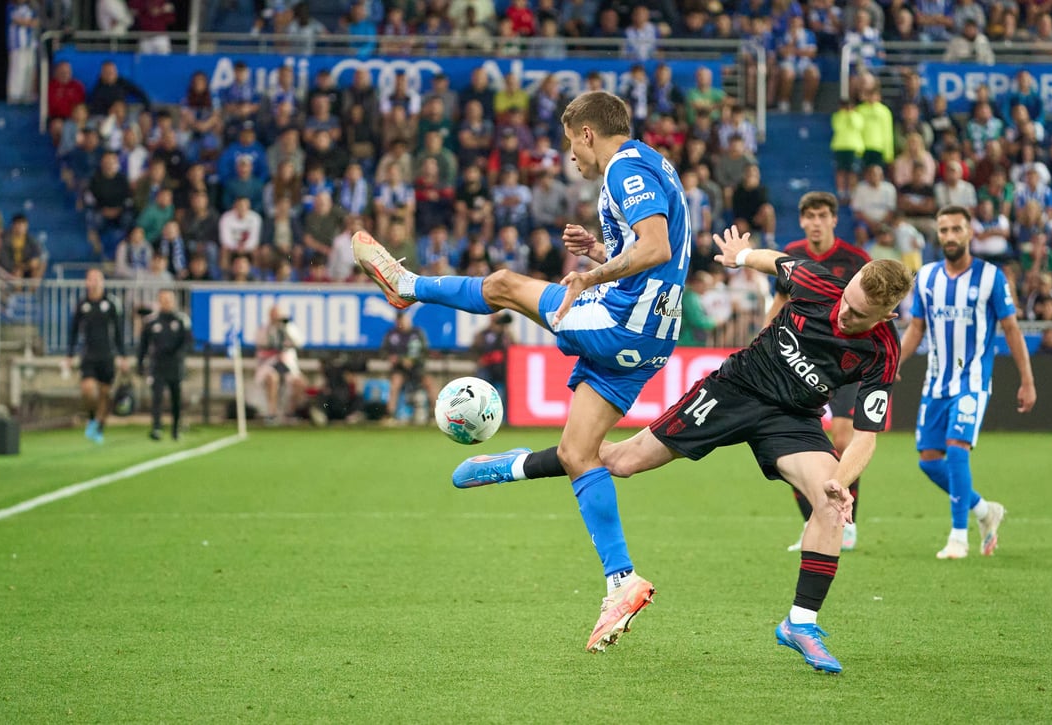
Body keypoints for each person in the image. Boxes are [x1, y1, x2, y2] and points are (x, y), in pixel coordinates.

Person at [452, 226, 912, 673]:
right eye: (847, 300)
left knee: (830, 508)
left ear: (886, 317)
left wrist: (839, 482)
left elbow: (866, 436)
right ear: (848, 282)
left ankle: (801, 624)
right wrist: (740, 257)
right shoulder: (819, 283)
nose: (842, 315)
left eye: (856, 315)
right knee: (622, 461)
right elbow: (776, 262)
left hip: (793, 420)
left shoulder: (882, 352)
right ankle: (515, 466)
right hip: (736, 389)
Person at [353, 90, 691, 652]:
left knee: (506, 284)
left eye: (570, 145)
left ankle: (405, 286)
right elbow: (658, 242)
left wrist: (594, 274)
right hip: (654, 334)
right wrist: (599, 249)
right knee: (579, 453)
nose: (572, 159)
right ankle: (620, 579)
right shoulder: (657, 164)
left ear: (587, 133)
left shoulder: (624, 167)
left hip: (621, 319)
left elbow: (654, 247)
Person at [897, 206, 1037, 560]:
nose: (949, 236)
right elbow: (916, 328)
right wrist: (892, 364)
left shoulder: (991, 277)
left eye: (956, 229)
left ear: (970, 232)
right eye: (943, 230)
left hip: (972, 382)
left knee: (957, 449)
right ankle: (984, 511)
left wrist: (1027, 381)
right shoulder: (927, 277)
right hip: (936, 382)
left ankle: (958, 537)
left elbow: (1011, 330)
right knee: (929, 461)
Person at [779, 191, 872, 552]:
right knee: (794, 445)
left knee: (844, 442)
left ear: (834, 219)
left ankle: (847, 523)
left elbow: (876, 305)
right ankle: (812, 523)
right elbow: (780, 301)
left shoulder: (855, 260)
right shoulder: (792, 255)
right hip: (803, 362)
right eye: (810, 216)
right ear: (802, 221)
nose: (816, 222)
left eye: (823, 216)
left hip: (848, 363)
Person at [66, 269, 126, 443]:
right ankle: (92, 418)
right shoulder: (82, 305)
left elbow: (118, 332)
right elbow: (74, 331)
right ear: (86, 282)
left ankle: (99, 427)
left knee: (105, 394)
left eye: (97, 279)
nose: (94, 282)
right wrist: (69, 355)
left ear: (103, 282)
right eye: (90, 279)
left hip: (107, 355)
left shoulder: (112, 303)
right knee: (88, 389)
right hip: (89, 355)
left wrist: (122, 355)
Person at [136, 289, 192, 440]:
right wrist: (140, 364)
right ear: (159, 301)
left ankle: (175, 429)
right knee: (157, 397)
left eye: (169, 299)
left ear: (174, 301)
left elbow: (187, 342)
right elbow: (143, 345)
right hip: (157, 364)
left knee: (176, 398)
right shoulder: (151, 321)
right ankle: (156, 428)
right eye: (163, 299)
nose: (166, 302)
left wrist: (178, 353)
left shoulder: (181, 320)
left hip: (175, 364)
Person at [381, 311, 438, 422]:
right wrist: (397, 359)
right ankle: (389, 415)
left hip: (417, 367)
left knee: (430, 383)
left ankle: (436, 414)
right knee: (395, 384)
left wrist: (413, 360)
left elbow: (425, 351)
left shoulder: (417, 333)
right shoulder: (391, 334)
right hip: (399, 368)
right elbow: (383, 352)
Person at [255, 305, 306, 423]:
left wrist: (286, 327)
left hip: (286, 364)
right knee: (272, 378)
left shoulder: (288, 327)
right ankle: (272, 413)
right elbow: (262, 343)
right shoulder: (264, 328)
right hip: (269, 363)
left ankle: (291, 413)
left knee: (299, 382)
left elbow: (299, 342)